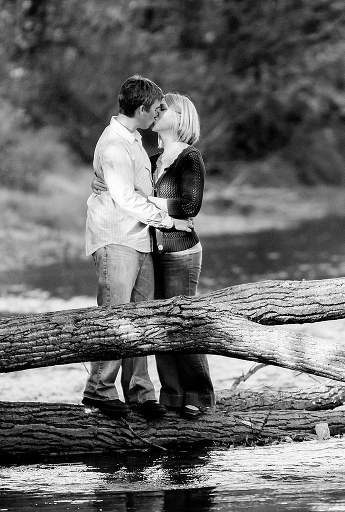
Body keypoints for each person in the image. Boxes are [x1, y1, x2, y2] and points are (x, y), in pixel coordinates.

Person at [92, 92, 215, 419]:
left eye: (165, 109)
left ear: (180, 118)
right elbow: (130, 196)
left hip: (181, 252)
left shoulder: (190, 157)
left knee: (183, 323)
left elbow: (190, 207)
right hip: (151, 249)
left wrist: (148, 201)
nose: (158, 112)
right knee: (159, 326)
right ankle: (172, 394)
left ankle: (199, 395)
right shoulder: (152, 155)